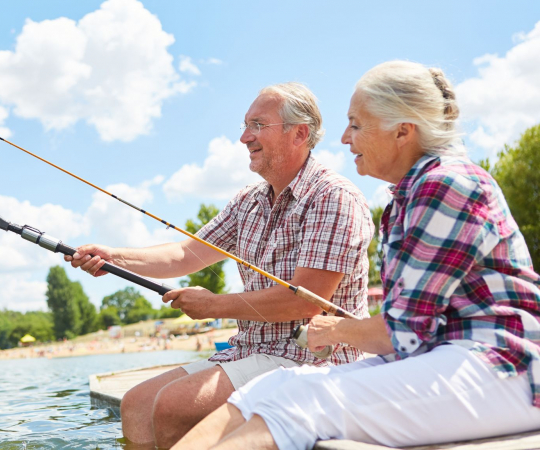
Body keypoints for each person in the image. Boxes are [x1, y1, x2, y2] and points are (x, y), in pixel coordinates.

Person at [173, 61, 540, 450]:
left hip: (506, 366)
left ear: (403, 130)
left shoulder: (444, 184)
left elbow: (404, 331)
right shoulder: (410, 193)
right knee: (268, 389)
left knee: (300, 402)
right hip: (454, 356)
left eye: (357, 124)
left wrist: (336, 331)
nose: (345, 138)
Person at [66, 82, 374, 448]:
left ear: (299, 134)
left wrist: (213, 305)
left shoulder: (333, 196)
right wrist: (113, 256)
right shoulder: (248, 200)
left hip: (315, 360)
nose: (245, 137)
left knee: (172, 406)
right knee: (136, 402)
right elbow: (185, 254)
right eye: (245, 125)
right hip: (252, 350)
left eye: (258, 125)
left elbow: (306, 301)